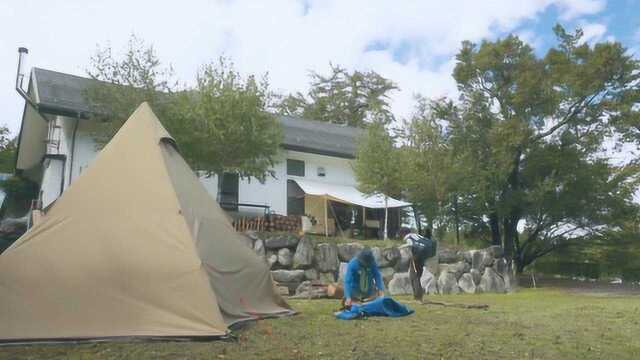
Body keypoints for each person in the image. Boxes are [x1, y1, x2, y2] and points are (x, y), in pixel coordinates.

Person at [398, 227, 437, 301]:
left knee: (414, 276)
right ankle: (419, 295)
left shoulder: (408, 237)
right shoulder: (417, 235)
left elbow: (411, 244)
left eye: (401, 234)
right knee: (417, 275)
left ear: (403, 234)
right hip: (422, 257)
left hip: (416, 257)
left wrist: (401, 247)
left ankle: (418, 297)